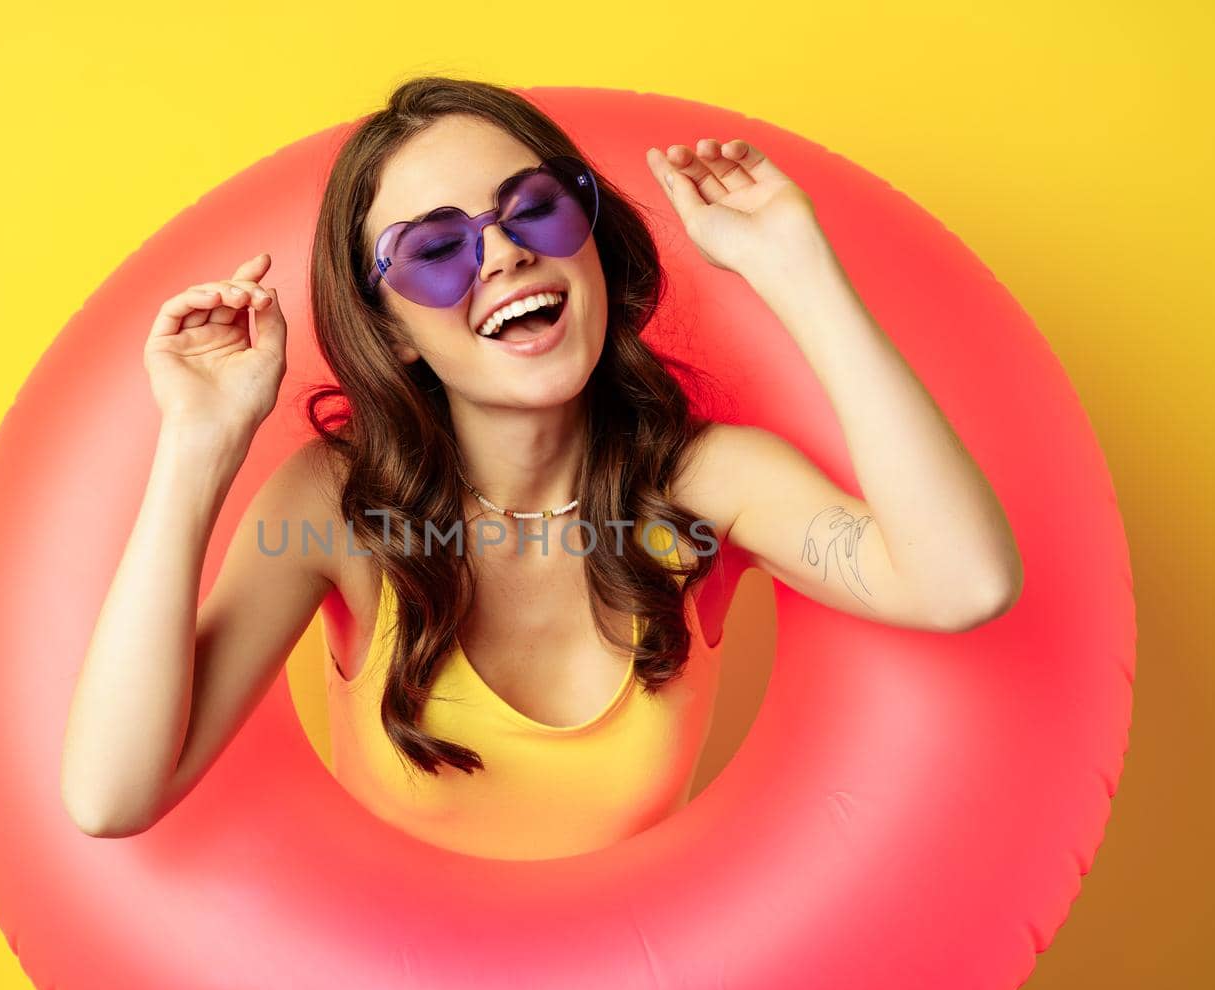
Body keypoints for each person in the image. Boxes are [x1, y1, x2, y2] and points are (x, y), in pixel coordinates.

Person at [60, 76, 1023, 859]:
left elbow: (963, 582)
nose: (506, 252)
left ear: (590, 245)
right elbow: (111, 795)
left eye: (537, 209)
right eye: (436, 249)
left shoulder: (703, 490)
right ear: (390, 329)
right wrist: (199, 442)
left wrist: (798, 271)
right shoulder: (338, 508)